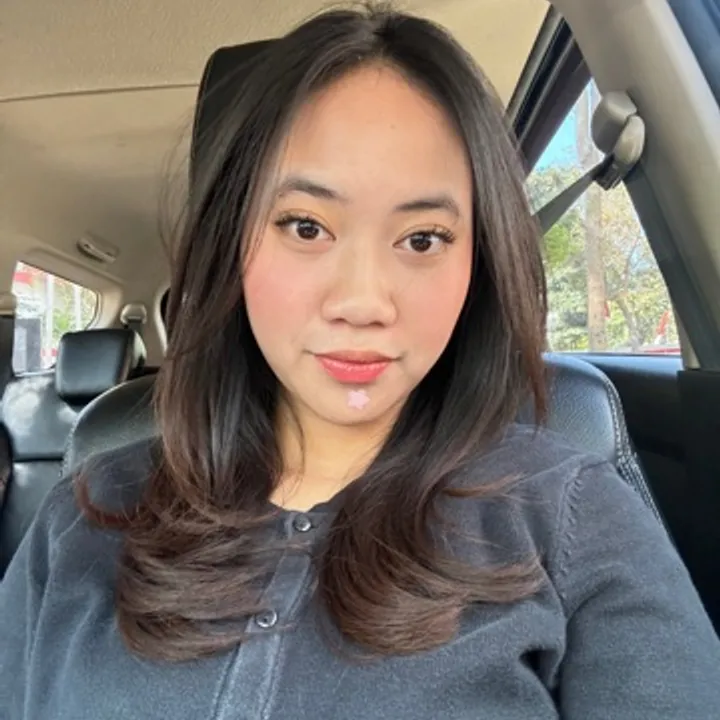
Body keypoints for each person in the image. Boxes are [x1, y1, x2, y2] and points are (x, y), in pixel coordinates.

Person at [1, 5, 719, 719]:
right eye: (306, 226)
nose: (362, 302)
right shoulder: (83, 521)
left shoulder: (574, 517)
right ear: (233, 242)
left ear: (479, 261)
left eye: (423, 239)